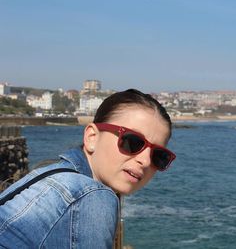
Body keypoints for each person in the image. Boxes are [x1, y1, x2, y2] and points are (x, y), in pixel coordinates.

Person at [0, 89, 176, 248]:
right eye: (133, 142)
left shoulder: (47, 174)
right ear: (92, 137)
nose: (145, 161)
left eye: (158, 156)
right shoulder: (91, 195)